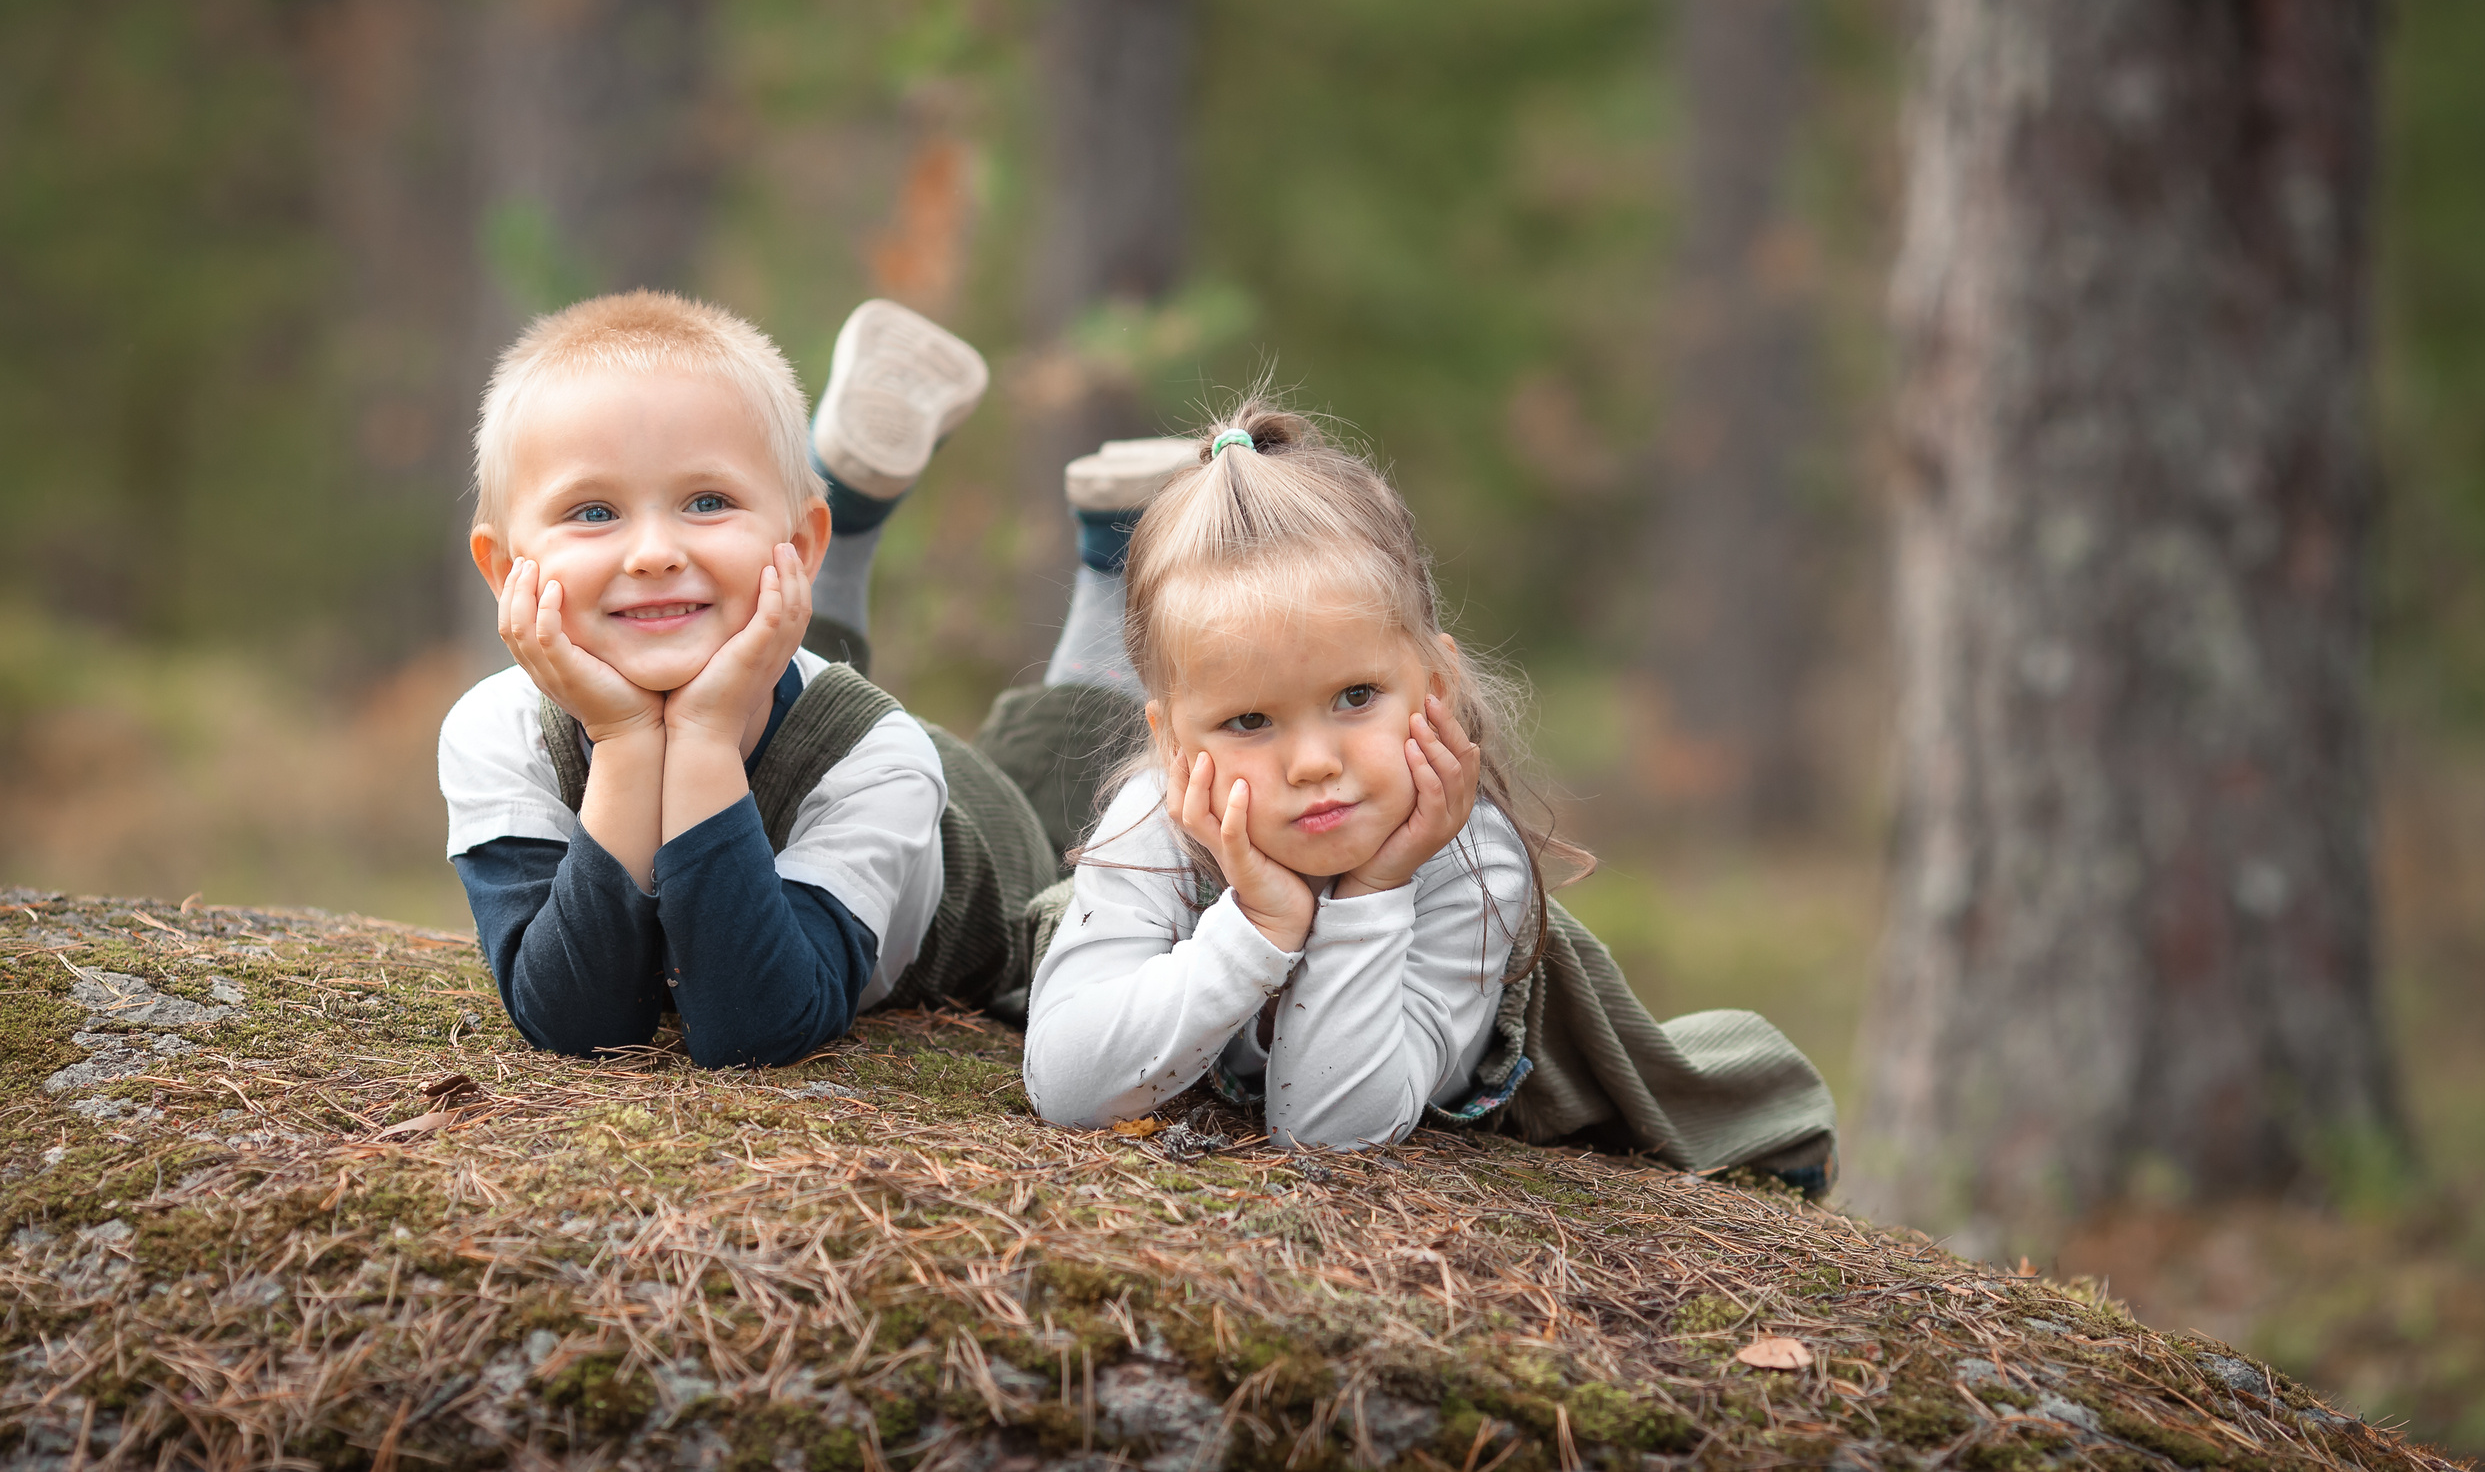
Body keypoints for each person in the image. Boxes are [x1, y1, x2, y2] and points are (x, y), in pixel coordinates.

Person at [1019, 403, 1840, 1187]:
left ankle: (1109, 574)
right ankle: (1105, 576)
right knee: (1025, 821)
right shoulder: (1157, 819)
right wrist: (1255, 931)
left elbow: (1332, 1131)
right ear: (1174, 745)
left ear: (1436, 683)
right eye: (1249, 718)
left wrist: (1369, 893)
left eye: (1355, 697)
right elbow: (1066, 1085)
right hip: (1137, 822)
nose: (1313, 763)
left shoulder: (1471, 863)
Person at [437, 290, 1169, 1069]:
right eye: (592, 512)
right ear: (506, 568)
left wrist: (703, 736)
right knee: (725, 613)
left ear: (797, 542)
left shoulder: (878, 763)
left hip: (975, 830)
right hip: (767, 683)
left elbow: (754, 1024)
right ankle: (840, 516)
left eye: (707, 500)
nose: (651, 550)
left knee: (1059, 820)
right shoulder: (497, 732)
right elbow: (581, 1019)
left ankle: (1111, 565)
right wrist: (626, 740)